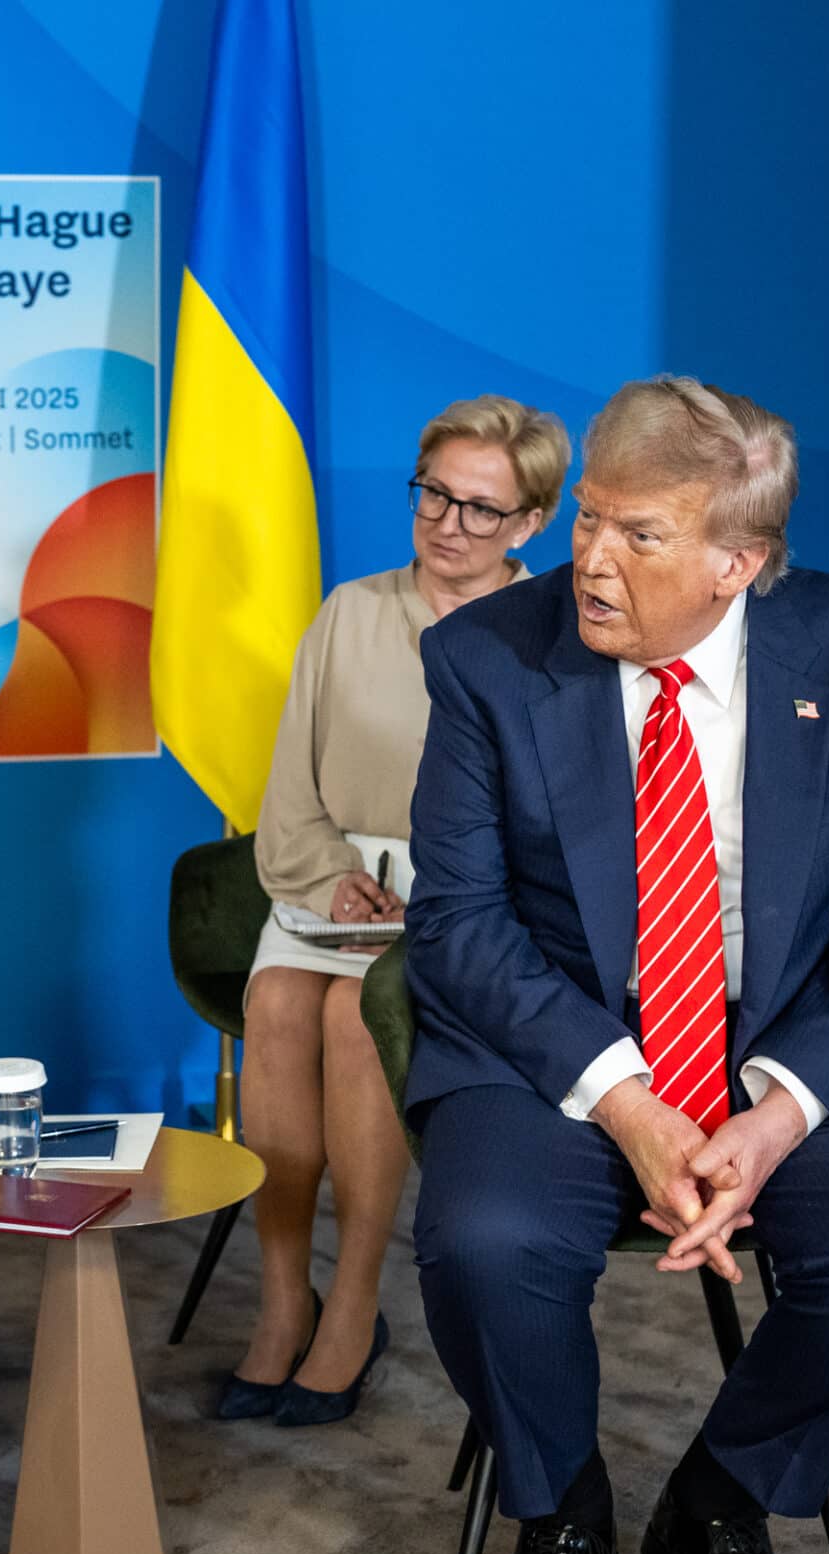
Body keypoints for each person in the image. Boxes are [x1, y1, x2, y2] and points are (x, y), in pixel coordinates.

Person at [405, 376, 829, 1554]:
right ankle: (561, 1516)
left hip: (792, 1038)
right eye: (590, 523)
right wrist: (625, 1098)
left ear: (740, 561)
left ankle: (719, 1502)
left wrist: (779, 1113)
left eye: (640, 536)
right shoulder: (488, 659)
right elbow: (458, 922)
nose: (592, 561)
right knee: (485, 1239)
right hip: (556, 1038)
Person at [222, 396, 570, 1426]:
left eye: (480, 509)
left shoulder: (556, 635)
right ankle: (285, 1297)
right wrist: (327, 873)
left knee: (351, 1018)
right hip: (325, 881)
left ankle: (357, 1305)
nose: (448, 525)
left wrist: (449, 899)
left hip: (470, 902)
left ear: (530, 524)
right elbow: (290, 784)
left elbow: (562, 816)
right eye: (434, 496)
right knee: (283, 1002)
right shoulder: (351, 611)